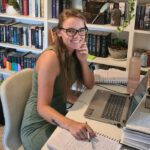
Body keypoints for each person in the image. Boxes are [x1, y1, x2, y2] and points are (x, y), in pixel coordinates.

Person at [21, 9, 95, 150]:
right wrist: (70, 124)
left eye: (81, 30)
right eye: (71, 31)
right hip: (38, 126)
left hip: (59, 117)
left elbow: (90, 84)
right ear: (59, 33)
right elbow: (42, 107)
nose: (78, 36)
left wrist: (83, 60)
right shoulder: (51, 58)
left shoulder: (75, 53)